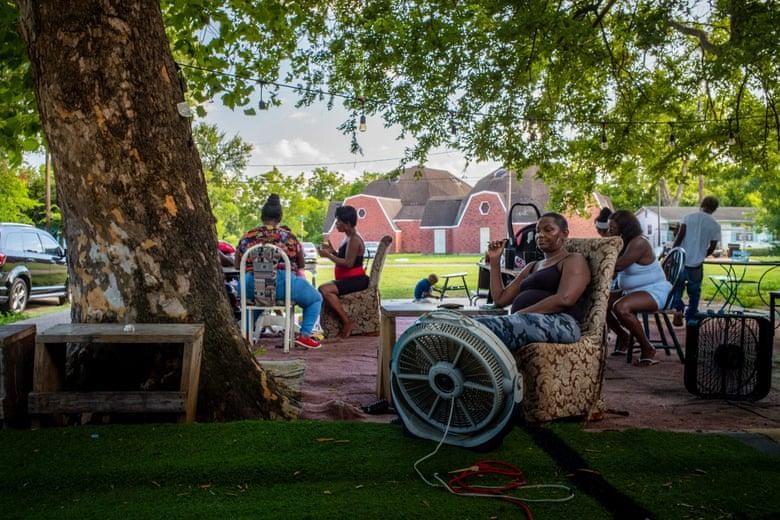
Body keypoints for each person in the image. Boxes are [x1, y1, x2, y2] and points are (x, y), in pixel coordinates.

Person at [472, 213, 591, 351]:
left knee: (482, 328)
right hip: (526, 320)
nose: (540, 235)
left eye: (548, 230)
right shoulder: (532, 266)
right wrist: (495, 262)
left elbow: (565, 298)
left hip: (562, 323)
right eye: (537, 231)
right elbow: (500, 299)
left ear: (564, 233)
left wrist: (521, 314)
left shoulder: (572, 260)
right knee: (467, 324)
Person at [235, 194, 322, 349]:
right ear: (280, 217)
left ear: (262, 216)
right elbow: (301, 263)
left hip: (252, 284)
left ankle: (246, 335)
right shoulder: (289, 237)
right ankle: (304, 335)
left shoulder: (247, 237)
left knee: (257, 298)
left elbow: (237, 265)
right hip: (282, 284)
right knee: (315, 298)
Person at [606, 210, 672, 366]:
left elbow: (619, 265)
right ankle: (624, 336)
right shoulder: (623, 242)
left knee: (621, 307)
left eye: (612, 228)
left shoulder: (639, 242)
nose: (609, 231)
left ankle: (648, 348)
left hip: (654, 291)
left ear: (624, 227)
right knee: (599, 303)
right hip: (633, 292)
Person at [318, 206, 370, 338]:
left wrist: (328, 256)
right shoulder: (348, 238)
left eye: (338, 222)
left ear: (347, 224)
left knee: (325, 289)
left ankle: (347, 322)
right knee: (324, 288)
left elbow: (348, 263)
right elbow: (344, 258)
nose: (336, 224)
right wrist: (332, 251)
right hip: (348, 279)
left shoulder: (354, 240)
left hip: (356, 280)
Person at [670, 196, 721, 326]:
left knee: (677, 289)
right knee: (694, 292)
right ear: (715, 209)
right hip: (697, 264)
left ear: (702, 204)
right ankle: (691, 318)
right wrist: (703, 254)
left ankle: (678, 309)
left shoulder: (688, 217)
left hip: (681, 261)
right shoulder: (715, 225)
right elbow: (713, 246)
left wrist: (672, 253)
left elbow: (679, 237)